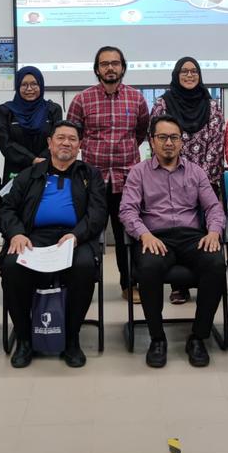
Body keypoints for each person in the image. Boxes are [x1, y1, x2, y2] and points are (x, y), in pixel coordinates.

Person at [0, 120, 107, 369]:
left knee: (84, 267)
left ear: (79, 145)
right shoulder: (29, 174)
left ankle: (71, 338)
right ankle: (24, 338)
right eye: (60, 137)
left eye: (72, 138)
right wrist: (16, 233)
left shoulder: (90, 174)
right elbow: (7, 209)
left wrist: (77, 235)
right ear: (50, 142)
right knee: (13, 266)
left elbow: (98, 212)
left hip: (74, 238)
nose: (66, 142)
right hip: (32, 237)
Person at [119, 115, 226, 368]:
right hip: (155, 236)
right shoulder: (139, 172)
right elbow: (127, 211)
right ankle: (157, 339)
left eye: (174, 138)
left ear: (181, 142)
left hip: (191, 237)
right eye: (163, 137)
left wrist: (213, 232)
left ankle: (199, 337)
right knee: (147, 268)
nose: (169, 143)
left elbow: (213, 207)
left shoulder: (195, 171)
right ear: (151, 141)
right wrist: (144, 234)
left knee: (216, 264)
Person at [68, 46, 150, 302]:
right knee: (88, 233)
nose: (110, 68)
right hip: (91, 179)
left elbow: (141, 132)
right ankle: (84, 282)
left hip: (127, 178)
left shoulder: (137, 99)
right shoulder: (82, 100)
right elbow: (73, 135)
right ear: (97, 69)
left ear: (123, 67)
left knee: (128, 234)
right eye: (105, 64)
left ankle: (129, 283)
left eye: (115, 63)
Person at [150, 57, 225, 305]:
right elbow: (158, 141)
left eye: (194, 71)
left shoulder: (212, 106)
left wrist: (198, 176)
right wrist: (175, 173)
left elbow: (216, 142)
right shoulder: (163, 104)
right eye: (184, 71)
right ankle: (179, 287)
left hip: (204, 178)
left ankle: (202, 281)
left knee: (200, 232)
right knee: (174, 227)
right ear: (176, 74)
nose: (190, 75)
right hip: (168, 177)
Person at [0, 66, 63, 178]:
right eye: (24, 84)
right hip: (16, 172)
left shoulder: (53, 110)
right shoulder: (6, 110)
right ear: (17, 86)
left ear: (40, 85)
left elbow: (57, 139)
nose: (29, 88)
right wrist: (32, 159)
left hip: (47, 168)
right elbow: (4, 142)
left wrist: (41, 161)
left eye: (34, 84)